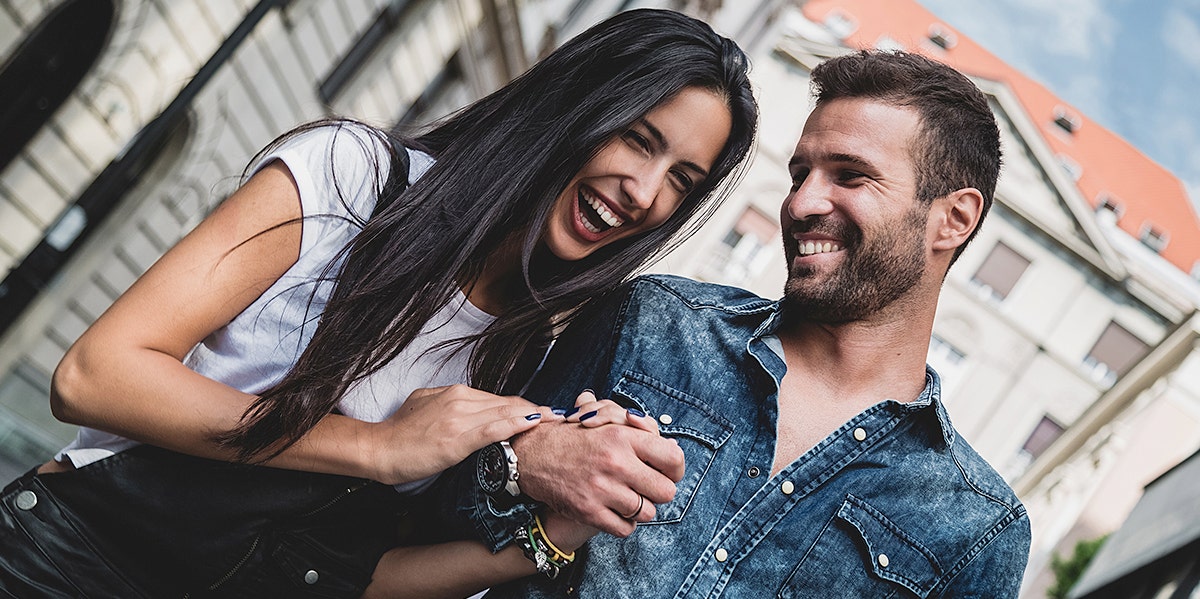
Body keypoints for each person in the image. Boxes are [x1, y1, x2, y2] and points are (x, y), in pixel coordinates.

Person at [0, 9, 757, 598]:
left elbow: (353, 577)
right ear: (573, 106)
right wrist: (378, 446)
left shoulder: (525, 350)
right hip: (69, 565)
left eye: (682, 181)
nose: (645, 192)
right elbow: (96, 374)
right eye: (636, 138)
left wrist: (557, 531)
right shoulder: (352, 178)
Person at [428, 49, 1032, 597]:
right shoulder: (654, 321)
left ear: (953, 219)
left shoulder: (978, 531)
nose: (799, 205)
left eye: (849, 176)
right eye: (801, 174)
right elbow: (435, 520)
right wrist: (521, 466)